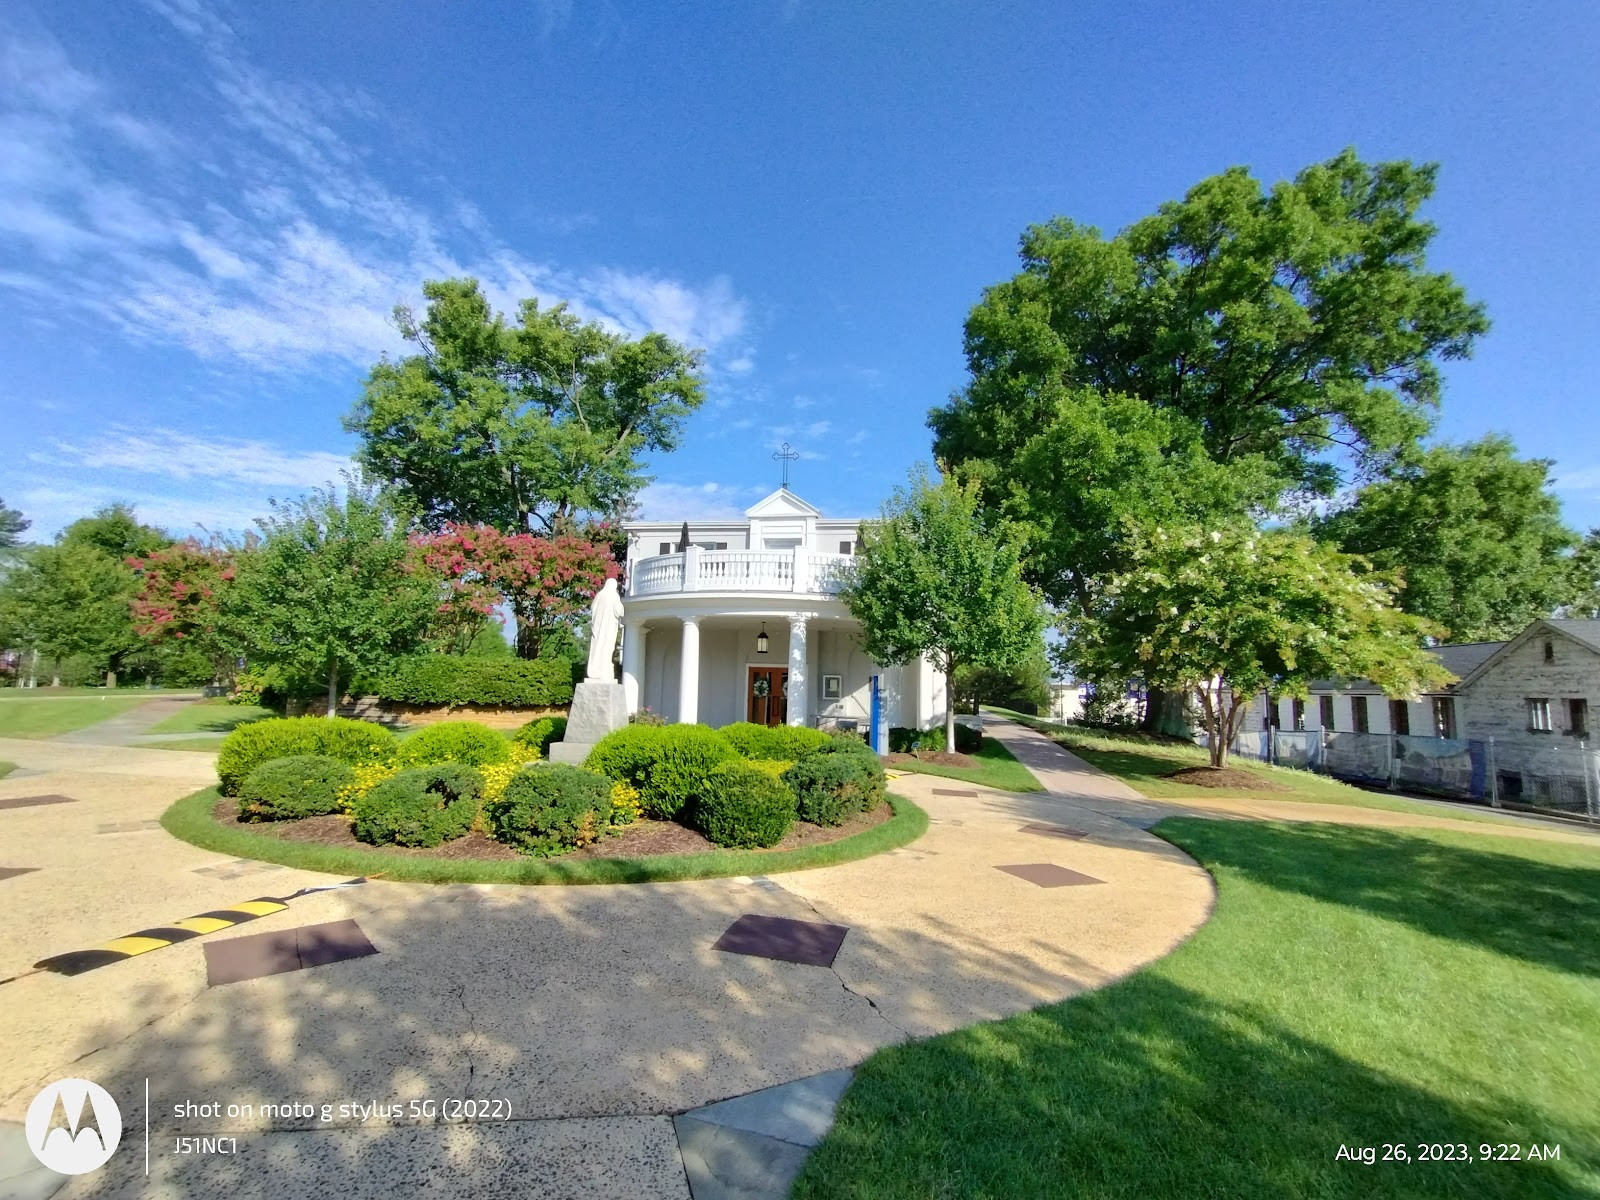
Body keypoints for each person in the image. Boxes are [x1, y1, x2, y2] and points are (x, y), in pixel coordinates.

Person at [585, 577, 624, 681]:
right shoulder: (613, 595)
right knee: (607, 647)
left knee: (597, 647)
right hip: (609, 627)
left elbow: (593, 608)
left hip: (598, 628)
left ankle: (594, 670)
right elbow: (618, 611)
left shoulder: (599, 595)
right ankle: (603, 669)